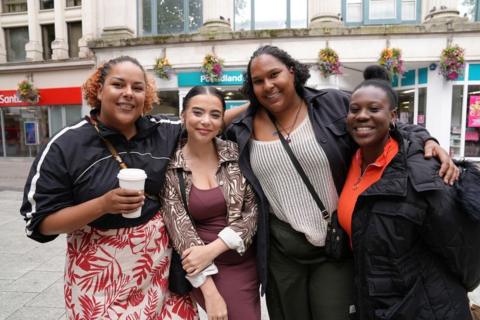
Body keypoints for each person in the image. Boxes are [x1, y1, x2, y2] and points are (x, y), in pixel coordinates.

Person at [224, 45, 459, 320]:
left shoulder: (331, 104)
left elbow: (380, 118)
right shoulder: (241, 127)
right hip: (281, 252)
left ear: (291, 71)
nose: (268, 85)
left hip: (332, 248)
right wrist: (247, 106)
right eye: (258, 81)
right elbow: (201, 124)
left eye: (274, 74)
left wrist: (427, 140)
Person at [19, 56, 244, 319]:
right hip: (100, 281)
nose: (128, 93)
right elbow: (40, 222)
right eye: (118, 84)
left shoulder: (163, 131)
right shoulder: (65, 146)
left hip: (161, 276)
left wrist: (259, 103)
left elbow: (208, 121)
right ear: (99, 89)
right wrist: (103, 205)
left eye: (137, 88)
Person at [338, 65, 480, 319]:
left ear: (393, 116)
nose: (362, 116)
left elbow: (465, 254)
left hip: (426, 307)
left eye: (373, 109)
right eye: (355, 109)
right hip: (374, 302)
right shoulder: (349, 158)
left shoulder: (424, 174)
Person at [161, 86, 260, 320]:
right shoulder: (170, 166)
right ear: (183, 116)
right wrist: (211, 293)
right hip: (203, 268)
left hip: (243, 259)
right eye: (197, 112)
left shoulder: (234, 153)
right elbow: (181, 232)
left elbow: (252, 213)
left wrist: (213, 248)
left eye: (215, 115)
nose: (206, 121)